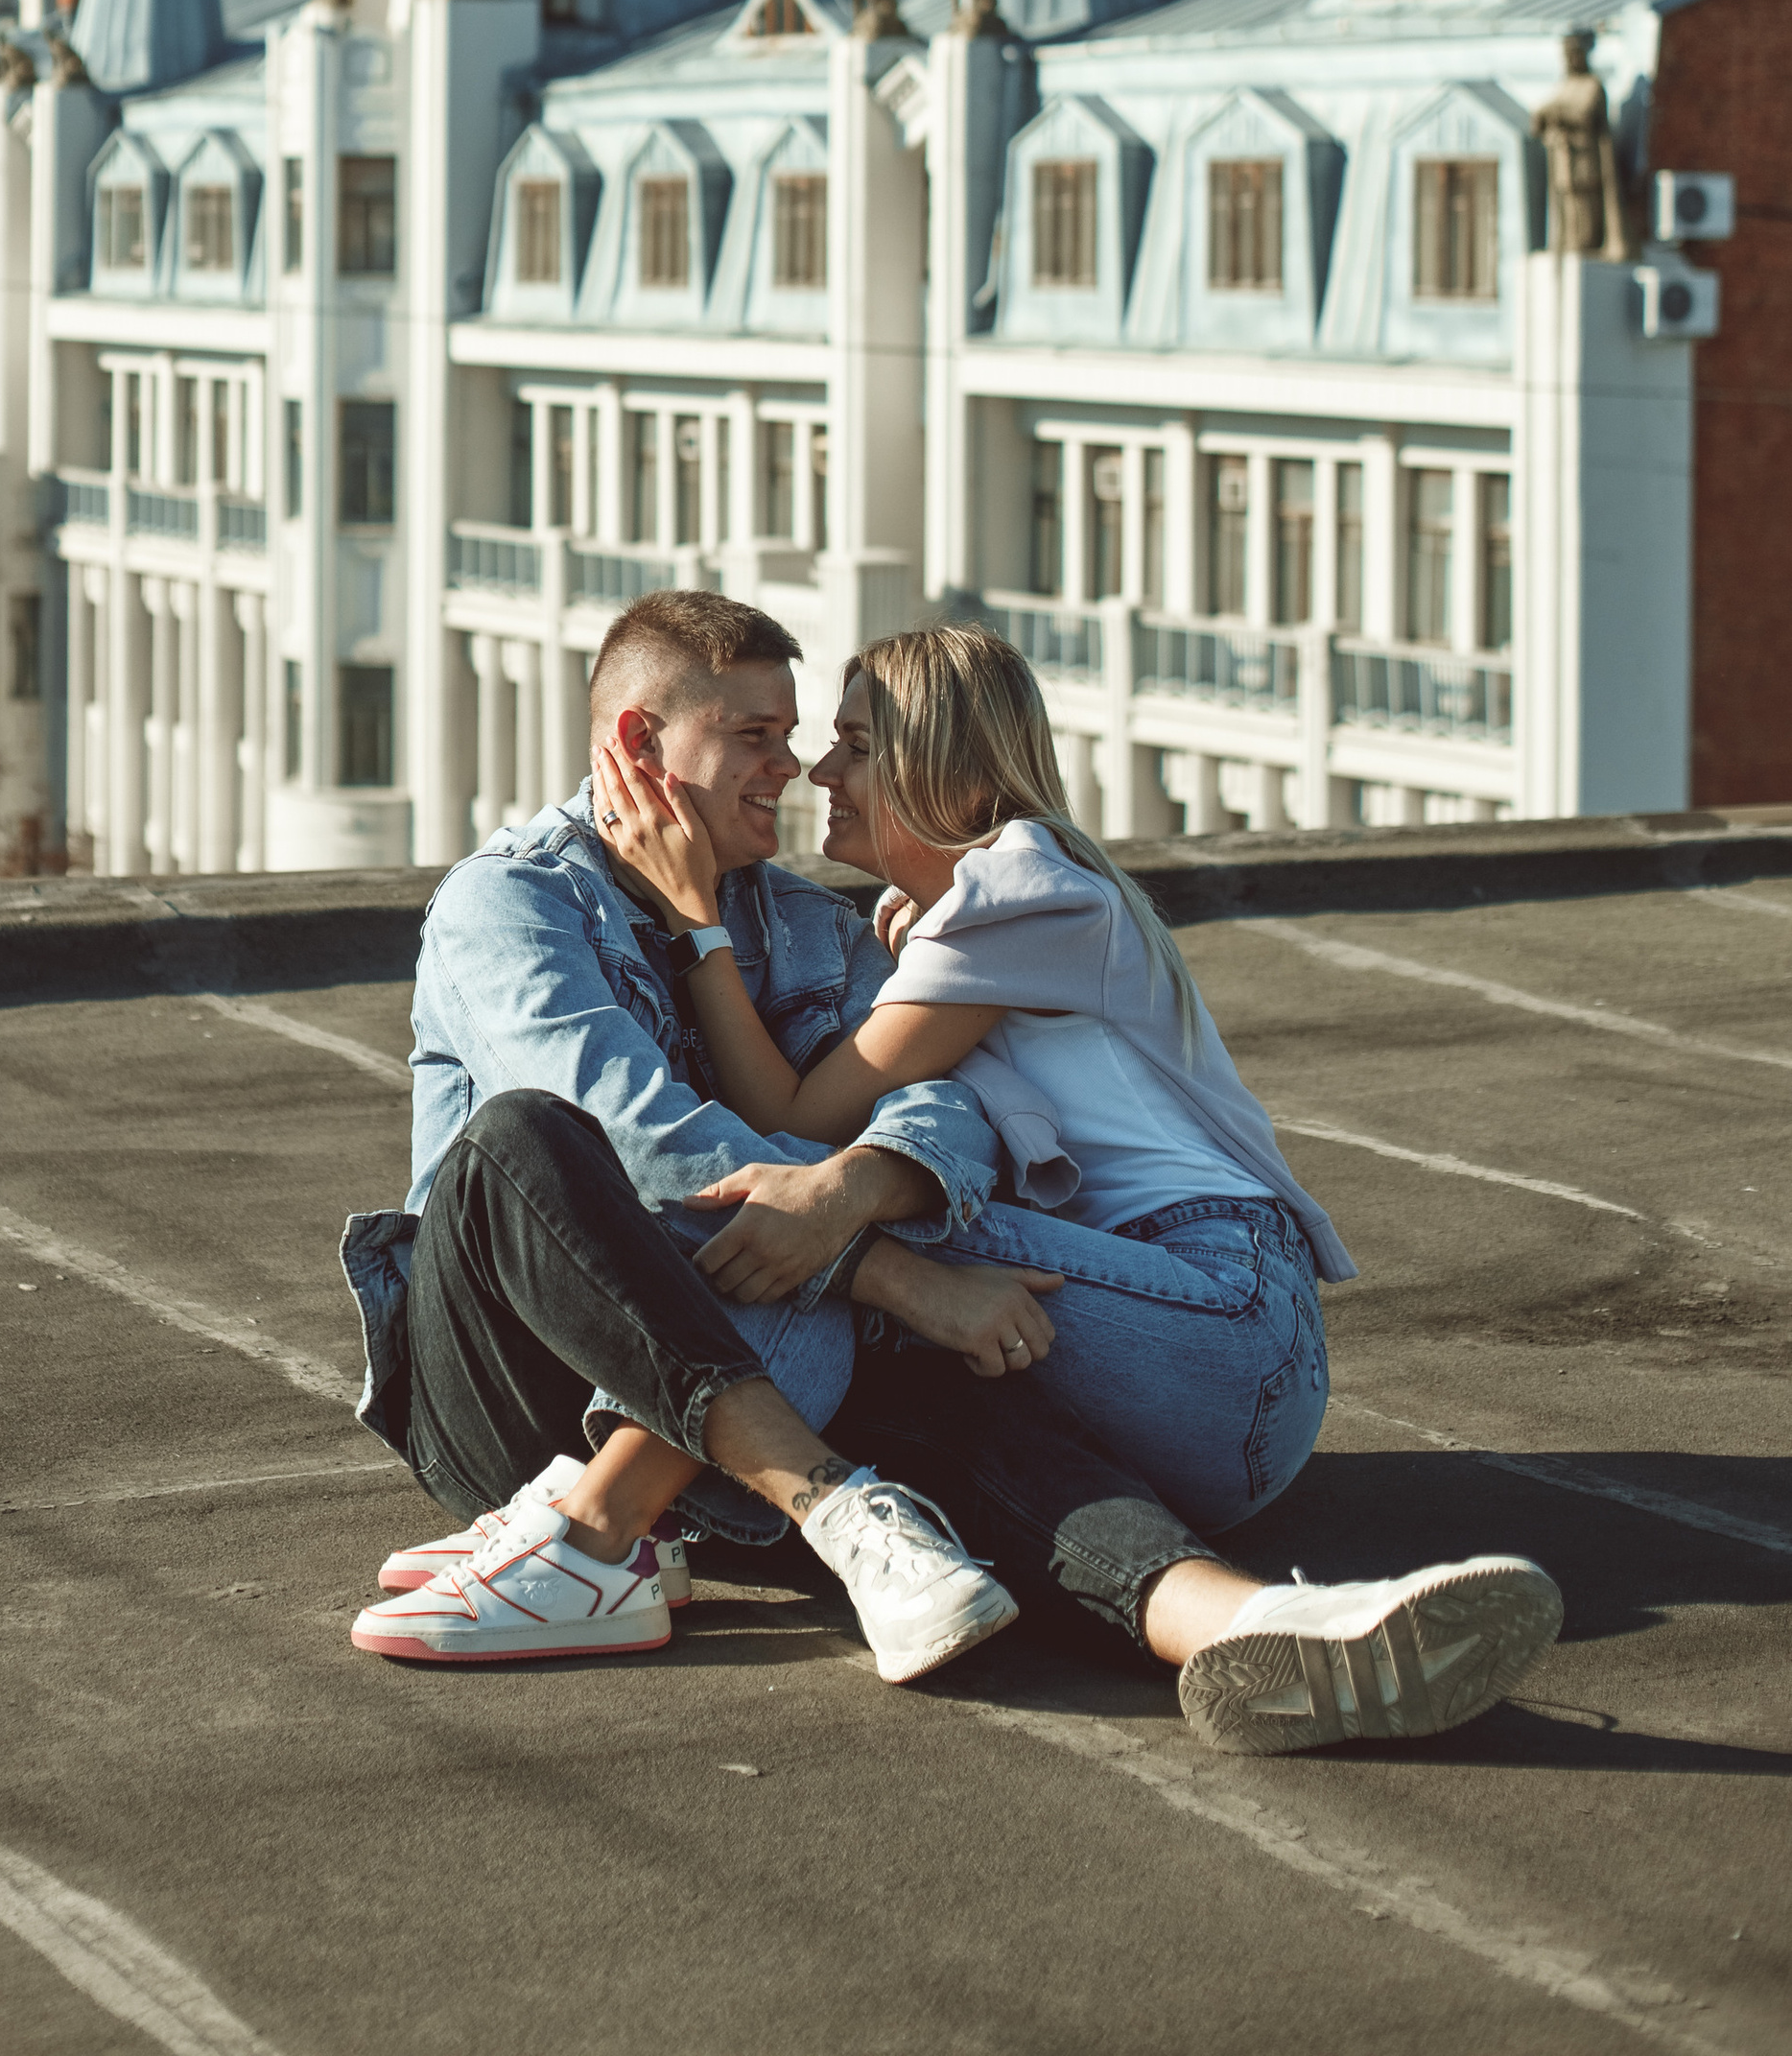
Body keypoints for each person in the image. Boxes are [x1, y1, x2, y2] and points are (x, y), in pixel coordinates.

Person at [341, 592, 1563, 1747]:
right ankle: (658, 1519)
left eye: (819, 739)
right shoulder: (510, 905)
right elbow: (630, 1137)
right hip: (523, 1384)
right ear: (638, 743)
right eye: (756, 736)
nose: (798, 766)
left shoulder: (813, 921)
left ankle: (1240, 1625)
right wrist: (883, 1268)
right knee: (536, 1139)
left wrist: (852, 1197)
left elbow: (956, 1108)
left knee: (937, 1386)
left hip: (740, 1424)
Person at [594, 621, 1340, 1536]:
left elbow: (792, 1115)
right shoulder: (961, 910)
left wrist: (692, 917)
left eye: (860, 748)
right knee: (827, 1226)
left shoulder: (1020, 891)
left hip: (1225, 1329)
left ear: (963, 778)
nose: (820, 772)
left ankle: (592, 1517)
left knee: (795, 1220)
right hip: (1182, 1344)